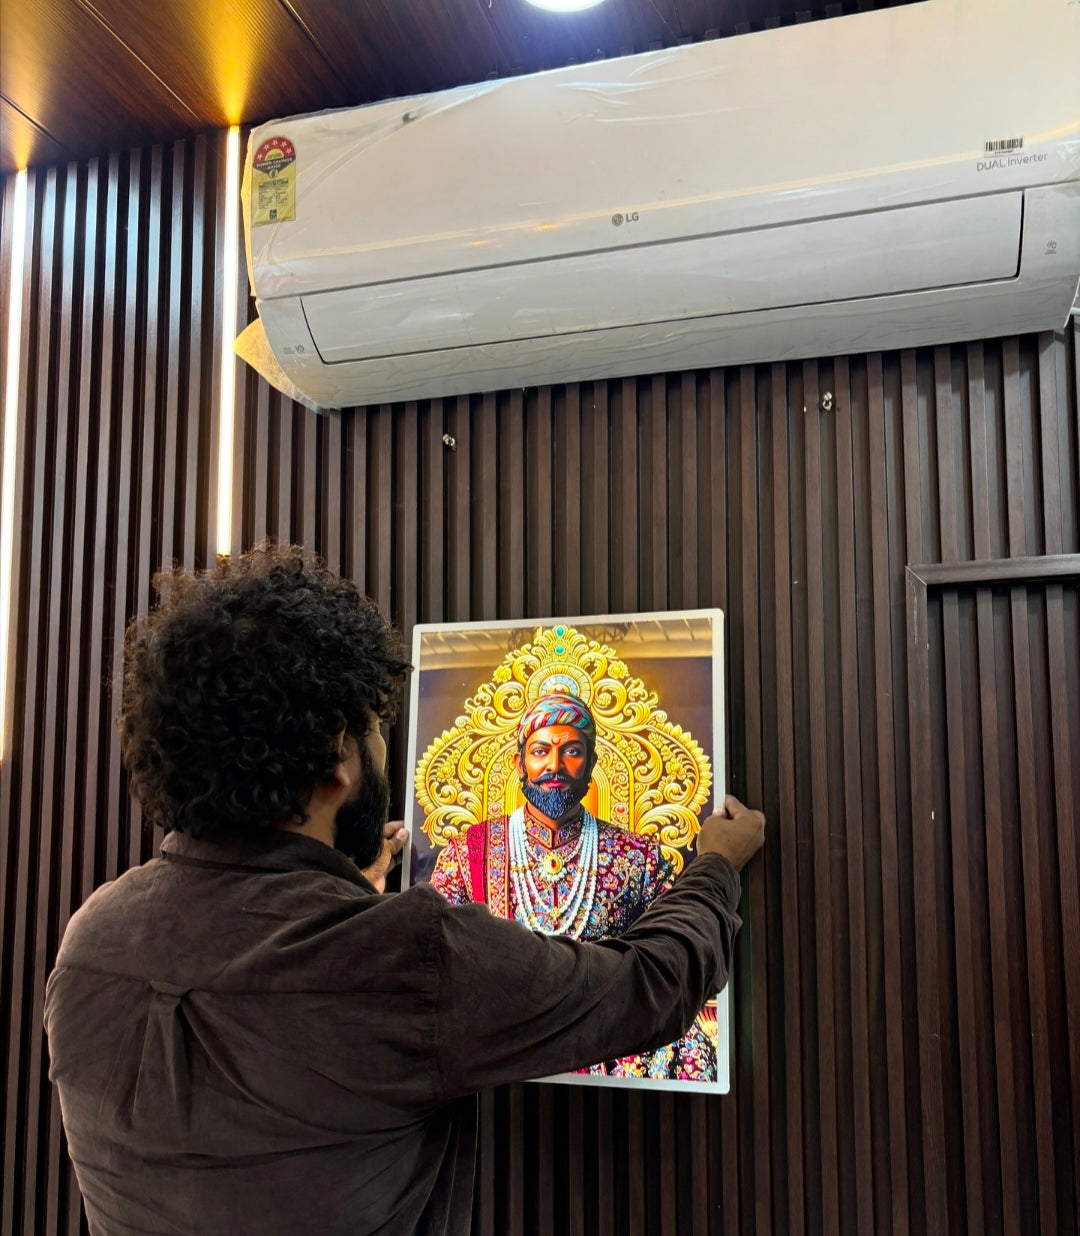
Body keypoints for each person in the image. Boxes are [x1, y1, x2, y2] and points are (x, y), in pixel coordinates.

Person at [44, 543, 765, 1236]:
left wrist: (349, 899)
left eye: (572, 749)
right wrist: (715, 867)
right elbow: (650, 986)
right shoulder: (406, 951)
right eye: (376, 731)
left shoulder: (91, 939)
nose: (555, 764)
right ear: (339, 755)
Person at [430, 692, 720, 1080]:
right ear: (519, 763)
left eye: (571, 751)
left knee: (690, 1049)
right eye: (540, 751)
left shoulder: (640, 857)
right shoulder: (468, 854)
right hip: (504, 1032)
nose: (555, 765)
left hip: (606, 1031)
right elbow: (434, 954)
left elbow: (671, 959)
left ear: (591, 763)